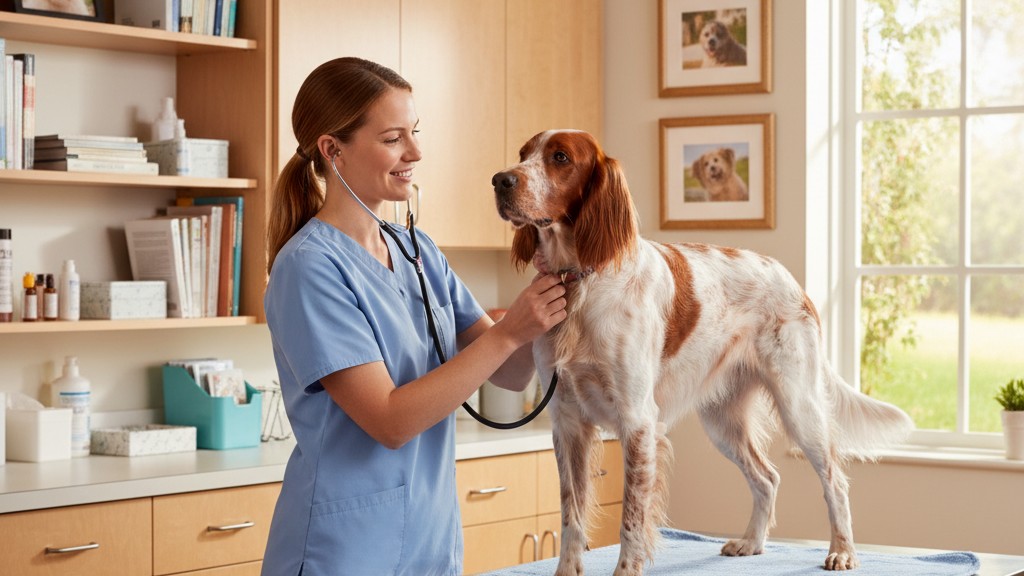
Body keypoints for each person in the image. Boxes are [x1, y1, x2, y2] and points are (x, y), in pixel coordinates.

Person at [261, 57, 568, 576]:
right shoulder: (308, 268)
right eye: (393, 138)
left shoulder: (416, 250)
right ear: (332, 150)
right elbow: (390, 420)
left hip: (429, 542)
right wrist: (511, 329)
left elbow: (512, 376)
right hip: (344, 552)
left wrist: (554, 299)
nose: (416, 153)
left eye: (415, 133)